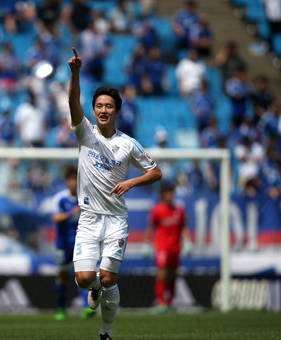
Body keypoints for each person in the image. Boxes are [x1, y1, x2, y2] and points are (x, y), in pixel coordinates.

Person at [68, 47, 162, 340]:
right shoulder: (85, 133)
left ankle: (106, 332)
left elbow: (156, 172)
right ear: (93, 109)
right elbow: (73, 103)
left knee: (109, 278)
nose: (103, 110)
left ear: (117, 111)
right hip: (89, 218)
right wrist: (75, 73)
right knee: (85, 280)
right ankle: (94, 288)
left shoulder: (129, 144)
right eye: (99, 106)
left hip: (116, 219)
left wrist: (131, 182)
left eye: (109, 106)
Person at [52, 166, 96, 321]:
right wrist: (71, 214)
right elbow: (55, 218)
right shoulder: (60, 198)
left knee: (83, 275)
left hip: (80, 243)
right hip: (63, 244)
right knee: (63, 276)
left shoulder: (85, 197)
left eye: (75, 179)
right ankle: (60, 308)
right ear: (66, 181)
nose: (73, 182)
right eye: (70, 179)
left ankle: (88, 307)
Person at [142, 182, 192, 313]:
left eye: (172, 192)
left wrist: (187, 242)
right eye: (168, 192)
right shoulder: (157, 210)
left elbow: (184, 227)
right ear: (163, 194)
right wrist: (147, 243)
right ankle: (161, 301)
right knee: (162, 273)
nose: (170, 195)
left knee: (173, 275)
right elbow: (151, 228)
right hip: (162, 247)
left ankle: (170, 301)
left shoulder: (179, 210)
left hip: (176, 247)